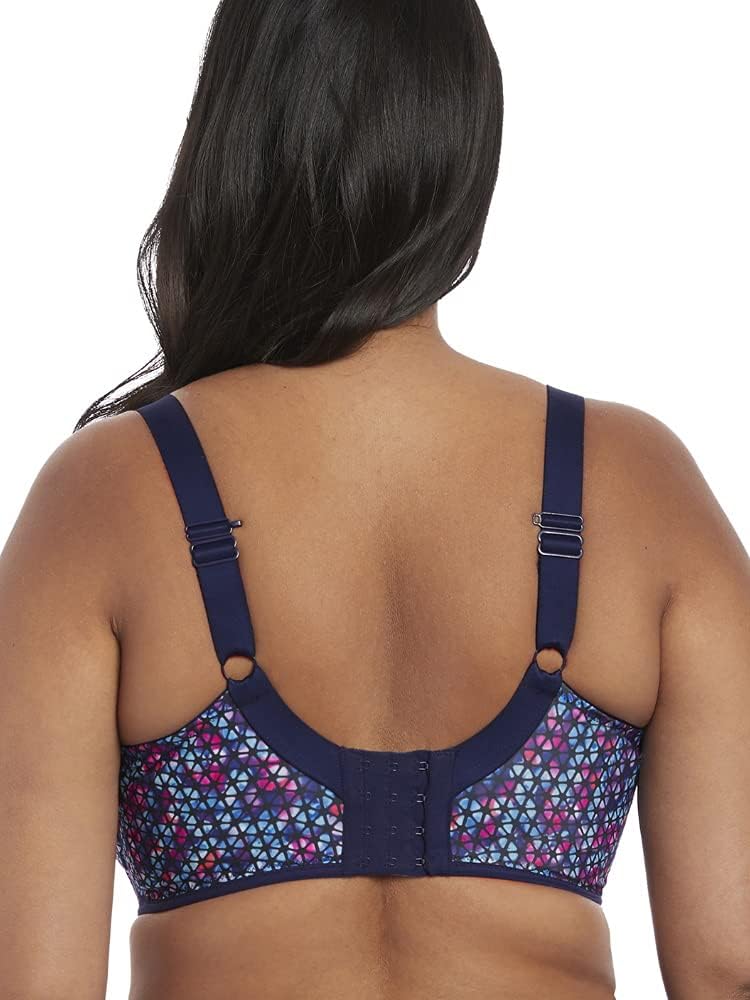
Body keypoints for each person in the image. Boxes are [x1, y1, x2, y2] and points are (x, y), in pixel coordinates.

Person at [2, 2, 748, 998]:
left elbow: (31, 980)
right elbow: (730, 961)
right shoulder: (637, 484)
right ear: (464, 149)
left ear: (233, 138)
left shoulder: (105, 492)